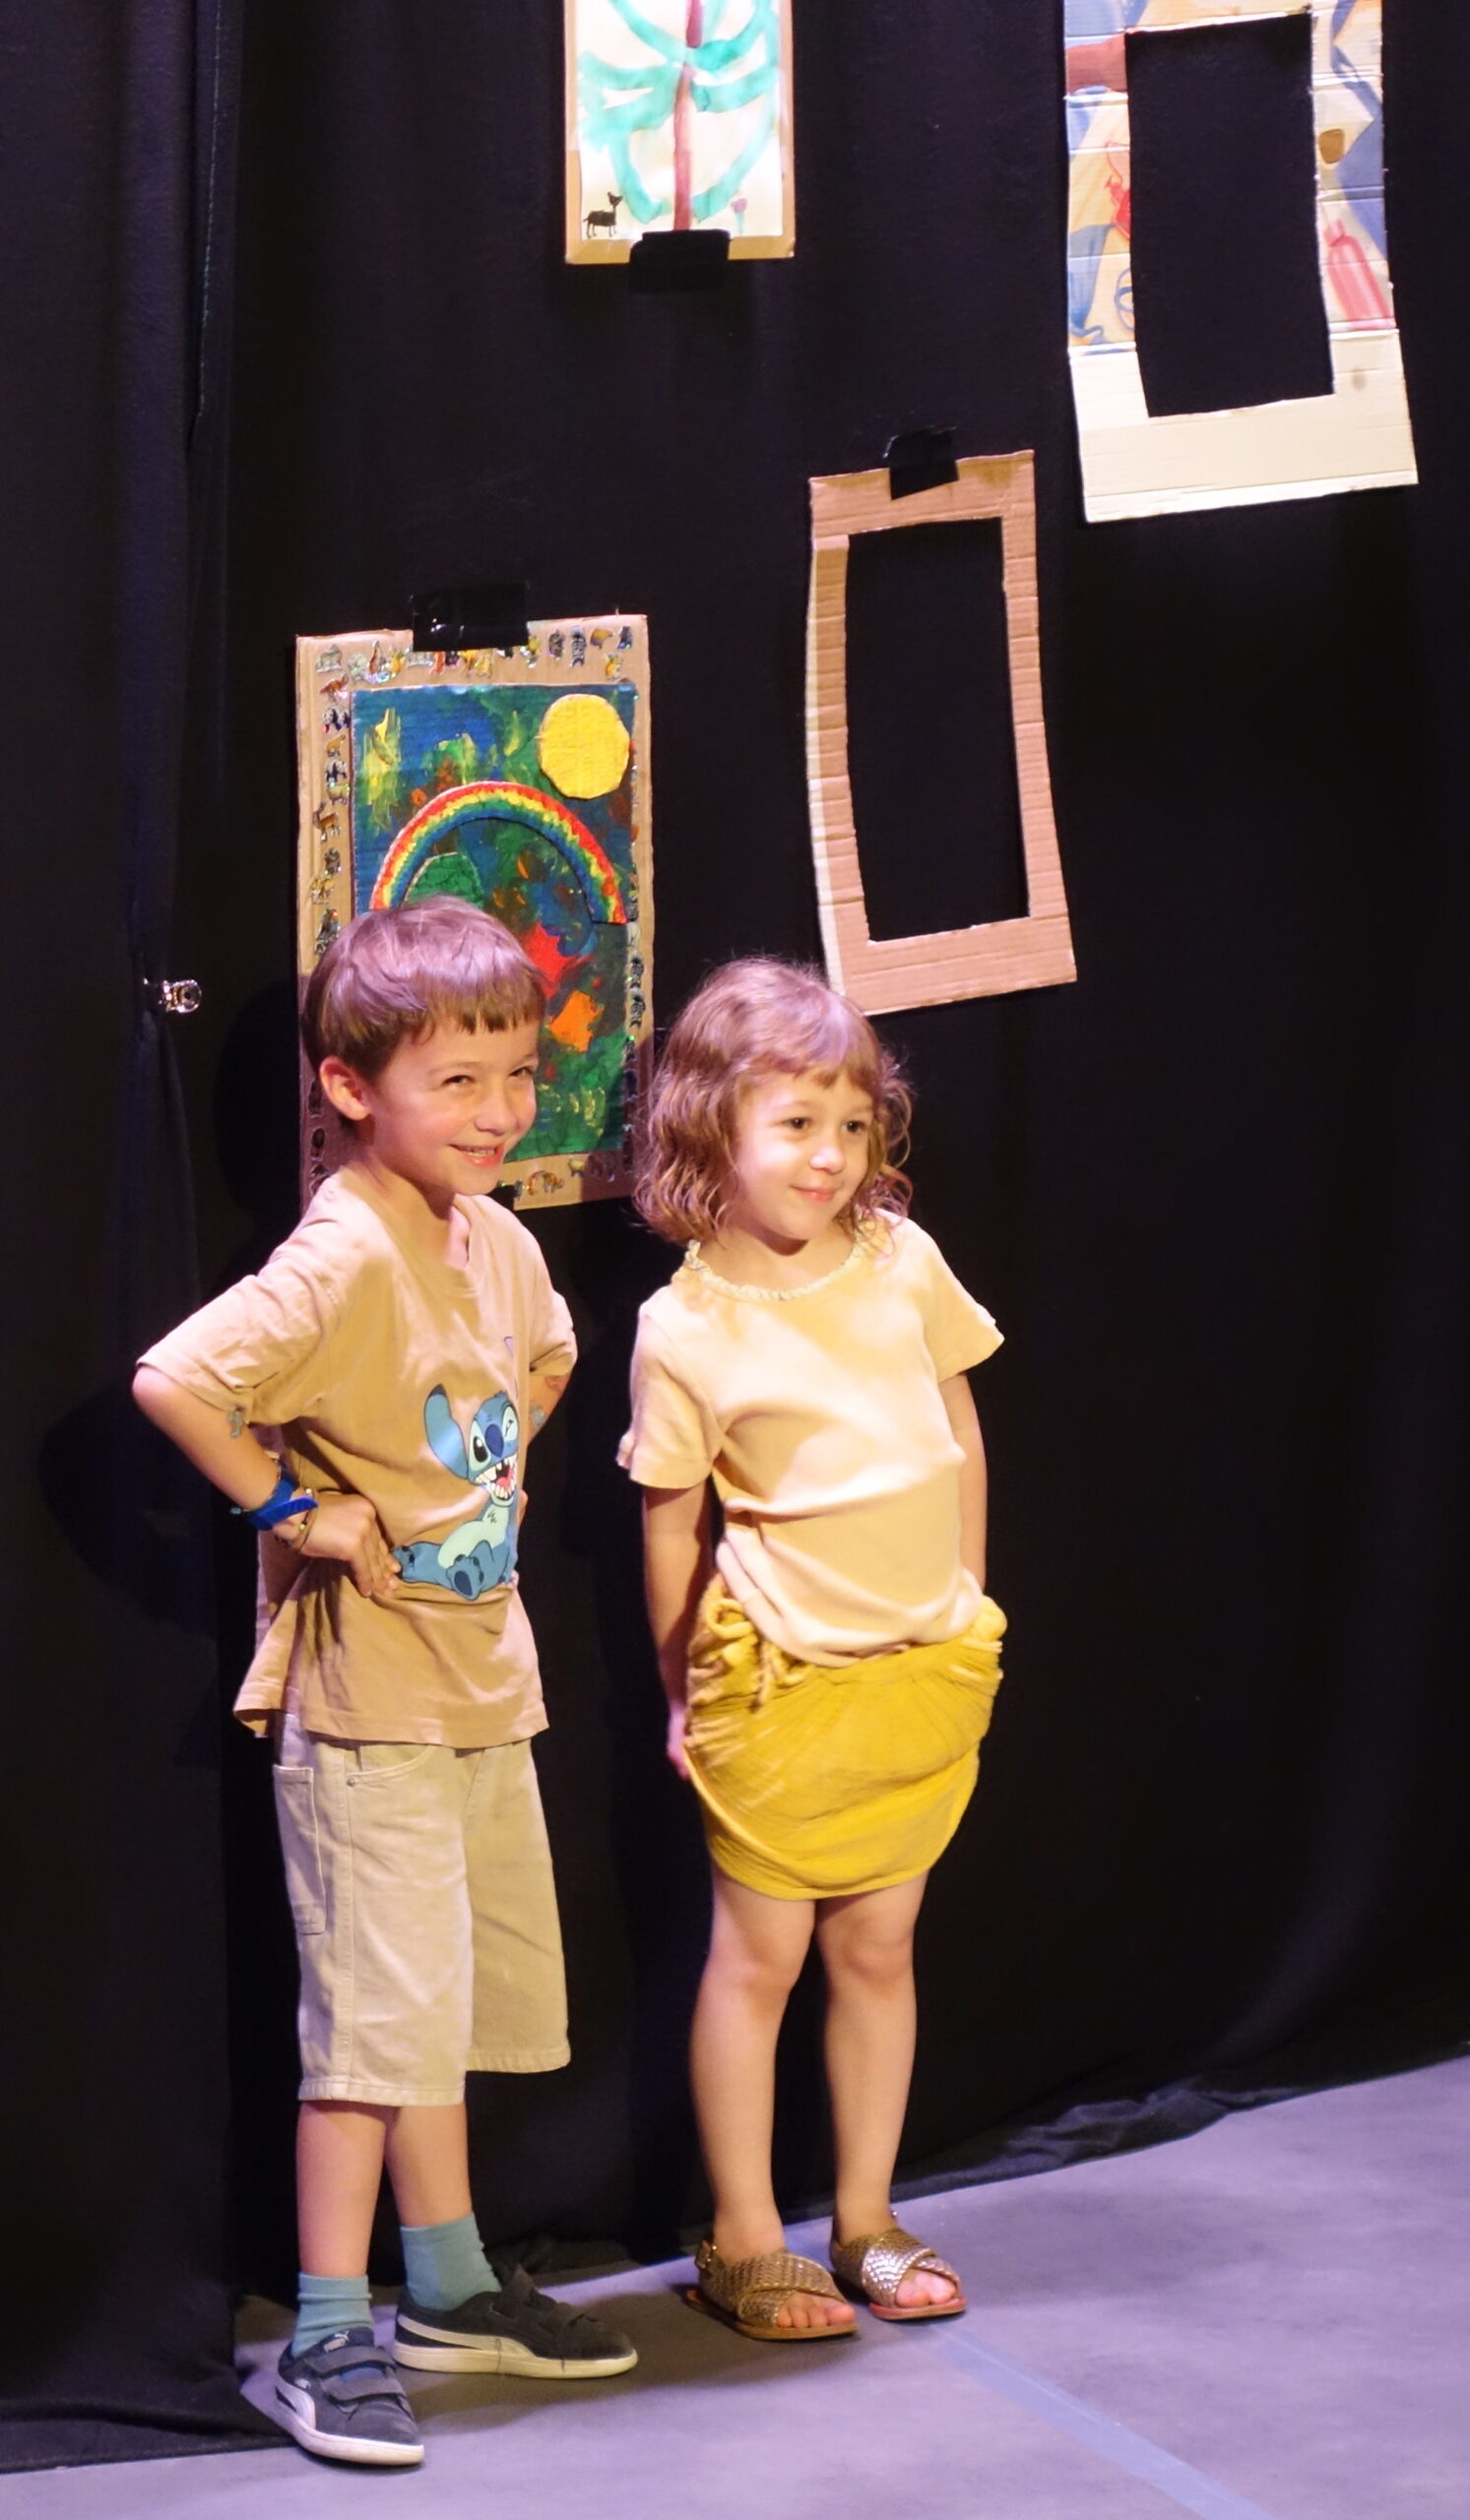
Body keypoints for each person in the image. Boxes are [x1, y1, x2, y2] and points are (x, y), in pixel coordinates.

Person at [134, 898, 635, 2469]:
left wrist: (485, 1478)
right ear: (353, 1088)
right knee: (369, 2037)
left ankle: (453, 2286)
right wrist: (297, 1511)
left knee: (434, 2018)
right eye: (456, 1082)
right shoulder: (344, 1248)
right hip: (369, 1710)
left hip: (479, 1685)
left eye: (516, 1076)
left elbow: (544, 1355)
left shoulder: (492, 1236)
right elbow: (177, 1380)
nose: (498, 1112)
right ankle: (329, 2330)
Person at [619, 958, 1006, 2343]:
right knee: (762, 1959)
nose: (830, 1155)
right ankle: (741, 2236)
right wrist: (681, 1691)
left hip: (917, 1670)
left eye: (851, 1124)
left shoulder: (902, 1260)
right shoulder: (685, 1329)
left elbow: (956, 1432)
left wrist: (965, 1599)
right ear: (710, 1127)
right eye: (795, 1124)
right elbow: (671, 1525)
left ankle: (865, 2218)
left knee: (881, 1950)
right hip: (780, 1682)